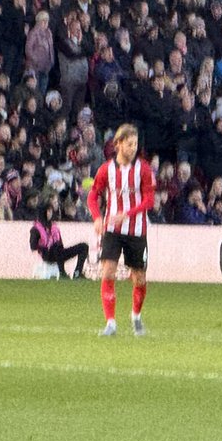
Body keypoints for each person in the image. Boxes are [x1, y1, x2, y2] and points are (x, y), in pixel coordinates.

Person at [88, 124, 155, 337]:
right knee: (108, 271)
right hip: (112, 230)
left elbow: (149, 200)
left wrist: (128, 213)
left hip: (136, 231)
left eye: (135, 144)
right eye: (129, 144)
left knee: (139, 278)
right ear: (118, 144)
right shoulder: (106, 170)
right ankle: (111, 323)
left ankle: (136, 317)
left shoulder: (143, 169)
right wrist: (97, 217)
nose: (133, 148)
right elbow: (93, 196)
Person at [30, 199, 88, 279]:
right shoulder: (36, 229)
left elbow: (60, 243)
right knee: (55, 247)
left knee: (84, 246)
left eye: (50, 211)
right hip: (46, 255)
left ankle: (77, 273)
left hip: (58, 253)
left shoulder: (54, 226)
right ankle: (62, 273)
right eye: (48, 211)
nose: (50, 213)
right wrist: (44, 247)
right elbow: (33, 246)